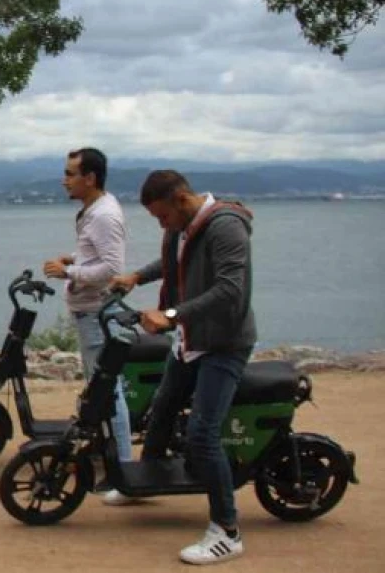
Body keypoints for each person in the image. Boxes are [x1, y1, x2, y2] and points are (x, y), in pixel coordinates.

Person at [109, 170, 256, 565]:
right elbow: (173, 262)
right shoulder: (185, 227)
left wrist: (171, 314)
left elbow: (230, 290)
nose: (161, 225)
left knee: (202, 435)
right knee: (161, 407)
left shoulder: (226, 228)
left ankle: (227, 530)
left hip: (224, 344)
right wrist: (137, 276)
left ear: (181, 199)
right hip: (191, 340)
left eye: (162, 217)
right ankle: (144, 484)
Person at [41, 147, 136, 506]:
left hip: (97, 315)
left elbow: (112, 269)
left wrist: (69, 271)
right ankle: (111, 459)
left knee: (110, 395)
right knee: (101, 392)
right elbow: (98, 257)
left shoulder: (104, 216)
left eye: (70, 173)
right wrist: (76, 258)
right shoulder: (94, 212)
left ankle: (124, 472)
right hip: (88, 314)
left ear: (90, 177)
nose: (64, 179)